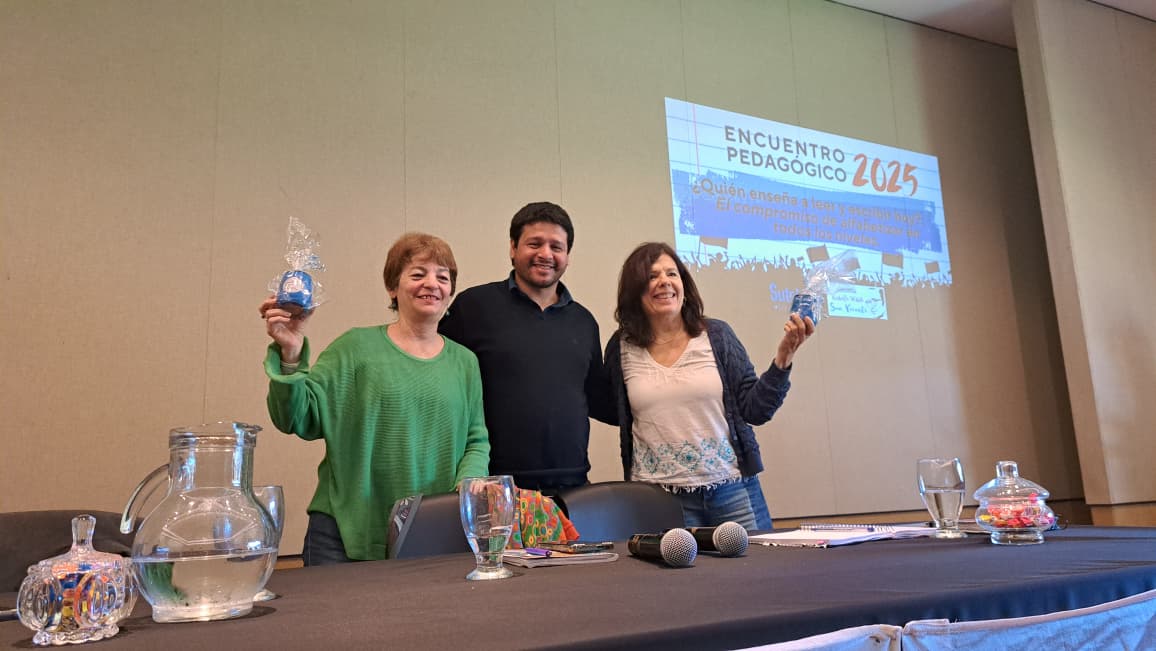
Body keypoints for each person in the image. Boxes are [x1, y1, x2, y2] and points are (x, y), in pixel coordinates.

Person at [261, 232, 490, 565]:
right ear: (392, 287)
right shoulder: (355, 348)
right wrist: (290, 353)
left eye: (443, 278)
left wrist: (470, 482)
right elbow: (297, 418)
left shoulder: (465, 362)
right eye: (418, 274)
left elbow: (476, 440)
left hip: (430, 533)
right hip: (344, 533)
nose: (432, 284)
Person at [603, 242, 814, 530]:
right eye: (652, 276)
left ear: (684, 285)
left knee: (756, 559)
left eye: (672, 274)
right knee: (673, 564)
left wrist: (784, 357)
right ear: (634, 290)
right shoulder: (621, 347)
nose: (664, 281)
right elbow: (611, 409)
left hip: (732, 490)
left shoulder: (716, 335)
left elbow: (755, 410)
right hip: (659, 497)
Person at [439, 202, 611, 496]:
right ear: (513, 248)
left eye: (556, 247)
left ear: (567, 256)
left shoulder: (584, 322)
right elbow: (441, 383)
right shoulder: (473, 307)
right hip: (494, 486)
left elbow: (597, 398)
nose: (546, 254)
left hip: (573, 485)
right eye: (534, 244)